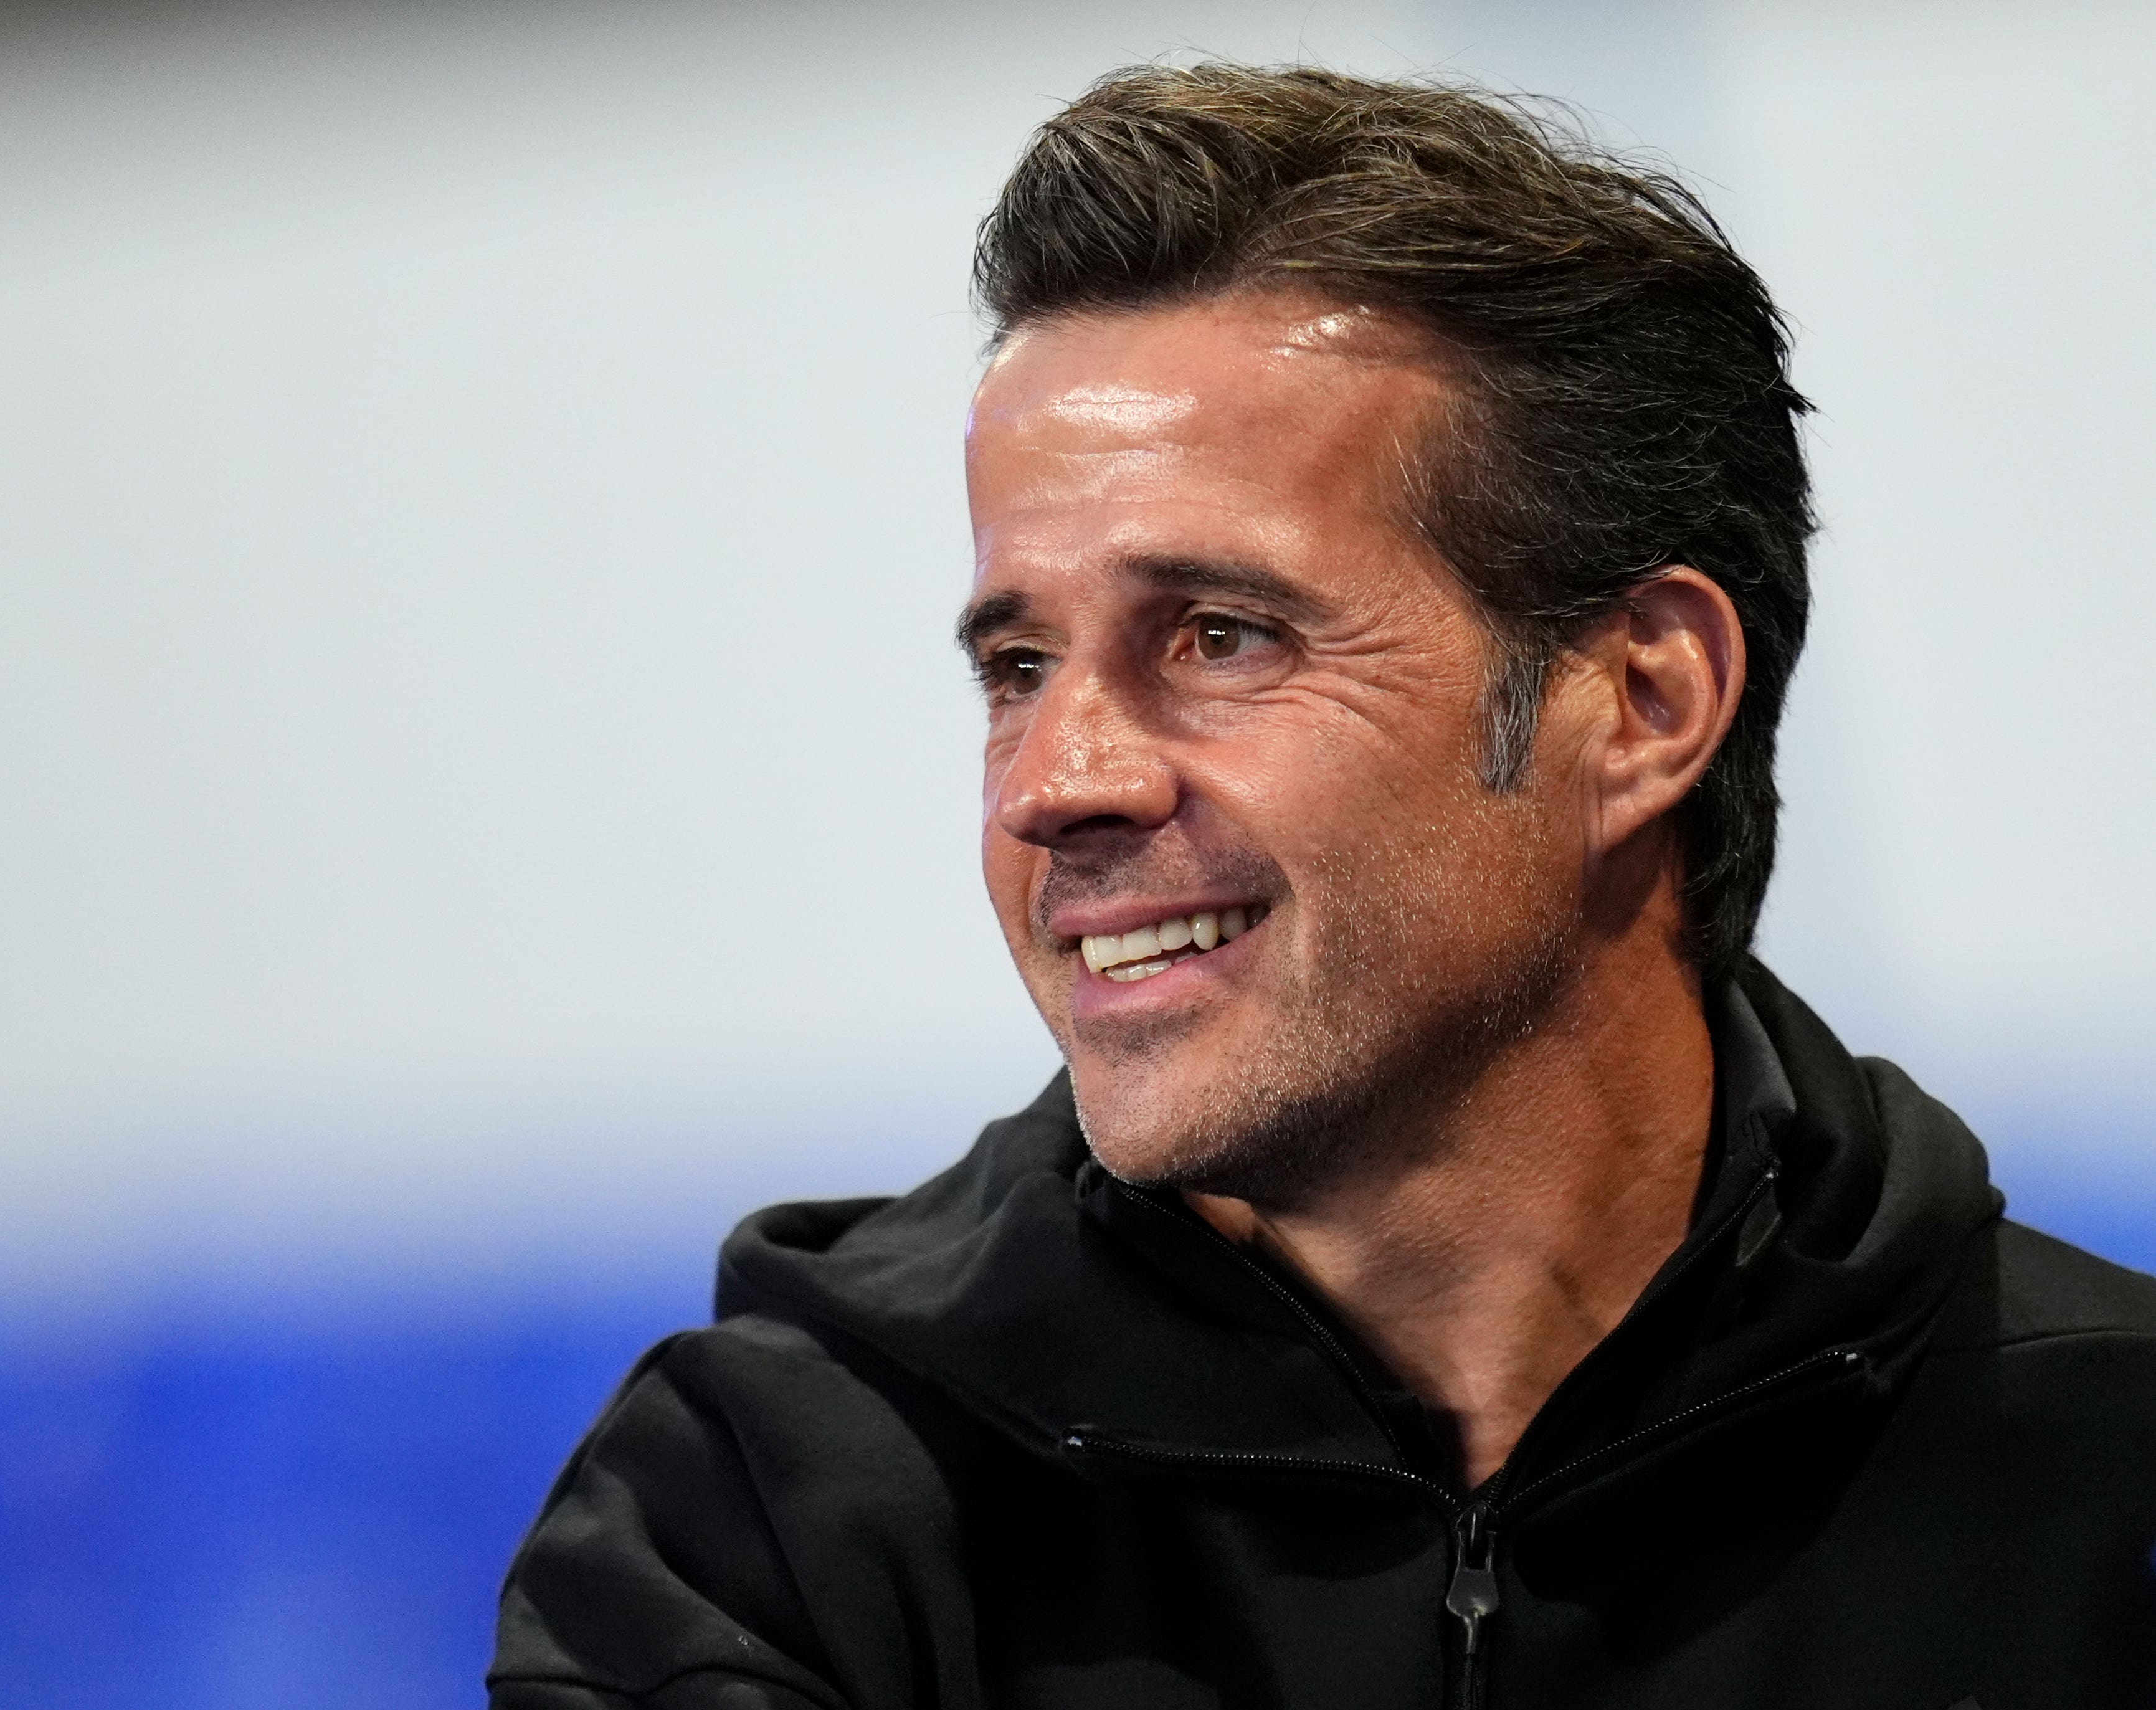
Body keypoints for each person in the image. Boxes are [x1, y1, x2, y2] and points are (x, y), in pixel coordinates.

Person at [488, 64, 2156, 1708]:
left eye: (1220, 636)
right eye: (1016, 660)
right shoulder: (759, 1523)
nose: (1056, 783)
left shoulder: (2103, 1479)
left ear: (1643, 703)